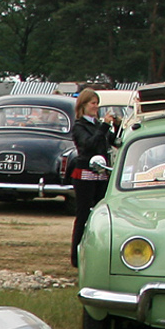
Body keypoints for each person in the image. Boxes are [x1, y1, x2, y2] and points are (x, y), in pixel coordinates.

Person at [69, 87, 115, 267]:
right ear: (84, 105)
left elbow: (113, 141)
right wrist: (104, 126)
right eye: (93, 103)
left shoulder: (97, 125)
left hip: (101, 175)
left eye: (97, 104)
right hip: (85, 176)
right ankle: (76, 255)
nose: (96, 107)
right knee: (82, 215)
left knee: (99, 214)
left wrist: (114, 126)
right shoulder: (80, 126)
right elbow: (88, 145)